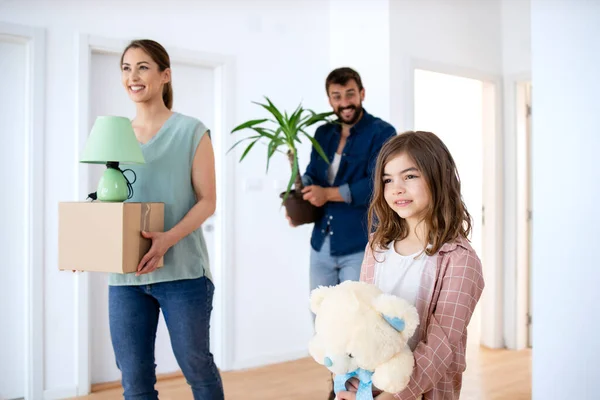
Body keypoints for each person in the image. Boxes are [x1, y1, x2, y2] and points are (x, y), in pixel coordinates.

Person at [108, 39, 224, 400]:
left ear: (165, 75)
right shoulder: (116, 135)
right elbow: (112, 200)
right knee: (134, 379)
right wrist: (89, 245)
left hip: (183, 274)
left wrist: (167, 239)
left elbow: (208, 201)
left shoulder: (191, 131)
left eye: (143, 67)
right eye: (126, 68)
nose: (133, 76)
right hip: (126, 277)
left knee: (197, 368)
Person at [336, 131, 485, 400]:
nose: (396, 188)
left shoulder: (460, 260)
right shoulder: (376, 246)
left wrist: (392, 396)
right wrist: (351, 380)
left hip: (418, 392)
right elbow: (363, 320)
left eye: (410, 176)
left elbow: (442, 345)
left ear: (438, 178)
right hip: (368, 387)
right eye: (387, 179)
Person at [289, 66, 396, 303]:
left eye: (350, 94)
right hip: (321, 244)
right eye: (337, 96)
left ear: (362, 93)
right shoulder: (322, 133)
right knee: (321, 317)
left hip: (359, 244)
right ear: (330, 100)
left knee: (355, 321)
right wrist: (298, 194)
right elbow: (312, 174)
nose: (345, 102)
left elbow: (377, 185)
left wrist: (326, 194)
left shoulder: (382, 132)